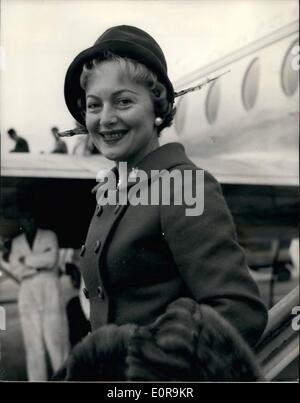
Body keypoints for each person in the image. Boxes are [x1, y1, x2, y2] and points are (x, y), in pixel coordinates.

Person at [61, 25, 267, 379]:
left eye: (123, 101)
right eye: (94, 105)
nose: (105, 118)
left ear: (158, 108)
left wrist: (150, 372)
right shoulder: (115, 188)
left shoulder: (182, 185)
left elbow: (239, 311)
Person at [8, 215, 69, 381]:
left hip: (49, 286)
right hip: (27, 289)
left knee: (57, 338)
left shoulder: (49, 236)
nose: (27, 221)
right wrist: (38, 262)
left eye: (30, 217)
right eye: (24, 218)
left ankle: (65, 378)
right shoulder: (17, 242)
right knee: (33, 342)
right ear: (20, 221)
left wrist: (25, 260)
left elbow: (51, 259)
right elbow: (15, 268)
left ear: (35, 219)